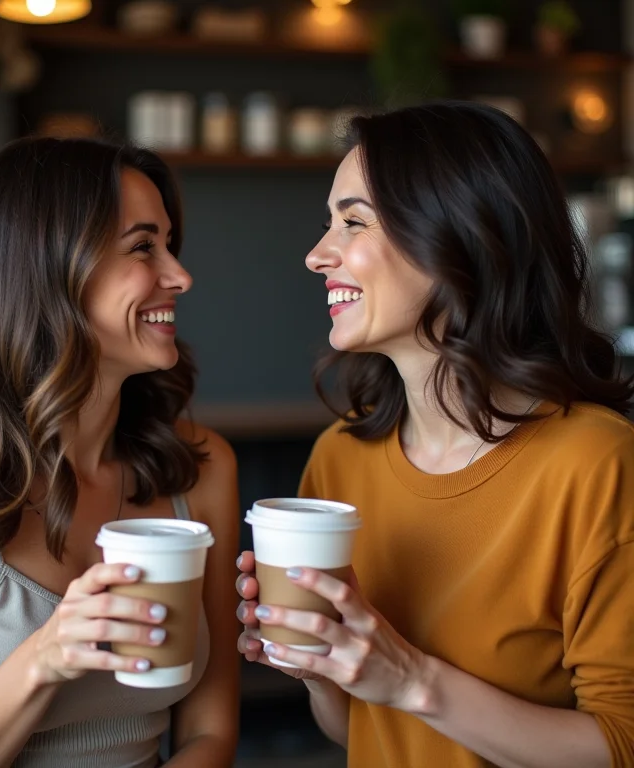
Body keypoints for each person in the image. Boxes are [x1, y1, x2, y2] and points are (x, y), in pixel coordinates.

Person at [237, 101, 634, 768]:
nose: (317, 254)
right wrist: (317, 660)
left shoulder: (597, 465)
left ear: (456, 239)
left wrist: (412, 678)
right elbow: (356, 730)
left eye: (353, 222)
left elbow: (620, 745)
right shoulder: (340, 459)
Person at [0, 137, 239, 768]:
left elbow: (211, 731)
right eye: (144, 247)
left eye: (170, 244)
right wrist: (48, 658)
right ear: (46, 267)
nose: (179, 275)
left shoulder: (201, 468)